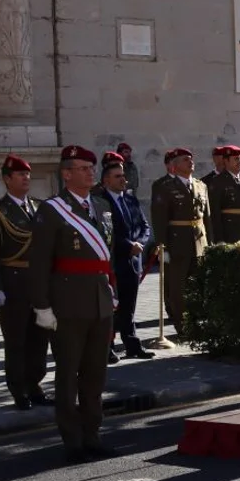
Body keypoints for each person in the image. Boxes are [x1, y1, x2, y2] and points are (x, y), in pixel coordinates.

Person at [28, 145, 120, 463]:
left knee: (95, 374)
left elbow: (106, 259)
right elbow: (39, 262)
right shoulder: (52, 210)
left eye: (91, 168)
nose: (90, 173)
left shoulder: (98, 206)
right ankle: (73, 440)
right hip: (67, 304)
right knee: (68, 374)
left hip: (100, 302)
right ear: (66, 174)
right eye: (82, 168)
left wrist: (112, 292)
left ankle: (93, 434)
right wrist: (41, 306)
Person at [0, 155, 51, 409]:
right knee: (16, 340)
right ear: (6, 179)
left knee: (40, 338)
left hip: (38, 283)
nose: (26, 179)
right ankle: (18, 389)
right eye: (20, 175)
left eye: (28, 174)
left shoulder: (40, 206)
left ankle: (35, 384)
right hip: (13, 283)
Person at [148, 148, 210, 338]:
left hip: (199, 242)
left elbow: (207, 218)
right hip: (177, 243)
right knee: (178, 287)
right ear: (174, 166)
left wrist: (210, 243)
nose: (190, 162)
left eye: (191, 159)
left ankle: (198, 321)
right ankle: (182, 325)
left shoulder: (201, 185)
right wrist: (162, 246)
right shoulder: (164, 186)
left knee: (198, 284)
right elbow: (159, 219)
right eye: (185, 160)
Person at [99, 153, 153, 361]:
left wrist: (140, 242)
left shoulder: (130, 199)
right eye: (117, 176)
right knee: (112, 306)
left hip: (134, 260)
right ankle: (108, 346)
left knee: (129, 305)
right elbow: (105, 232)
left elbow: (144, 226)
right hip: (114, 261)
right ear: (106, 180)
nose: (123, 179)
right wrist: (127, 245)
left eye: (123, 176)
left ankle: (131, 344)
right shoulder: (101, 201)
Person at [206, 145, 240, 244]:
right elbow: (215, 213)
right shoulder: (218, 181)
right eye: (236, 159)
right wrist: (219, 239)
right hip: (231, 232)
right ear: (226, 161)